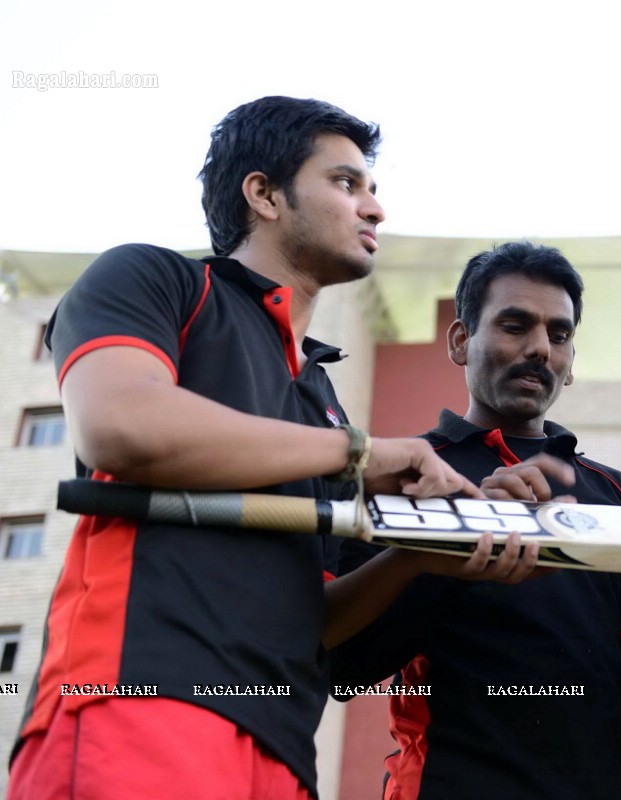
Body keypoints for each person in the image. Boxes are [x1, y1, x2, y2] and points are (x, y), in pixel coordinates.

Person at [7, 96, 534, 800]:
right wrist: (356, 454)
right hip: (140, 700)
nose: (374, 209)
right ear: (264, 193)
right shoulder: (154, 278)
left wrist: (418, 555)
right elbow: (121, 425)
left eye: (372, 189)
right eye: (347, 183)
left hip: (284, 751)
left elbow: (321, 622)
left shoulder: (323, 399)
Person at [328, 241, 621, 800]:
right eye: (514, 326)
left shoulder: (614, 493)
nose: (539, 349)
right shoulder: (395, 474)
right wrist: (456, 544)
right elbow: (345, 670)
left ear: (571, 362)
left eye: (559, 335)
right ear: (461, 341)